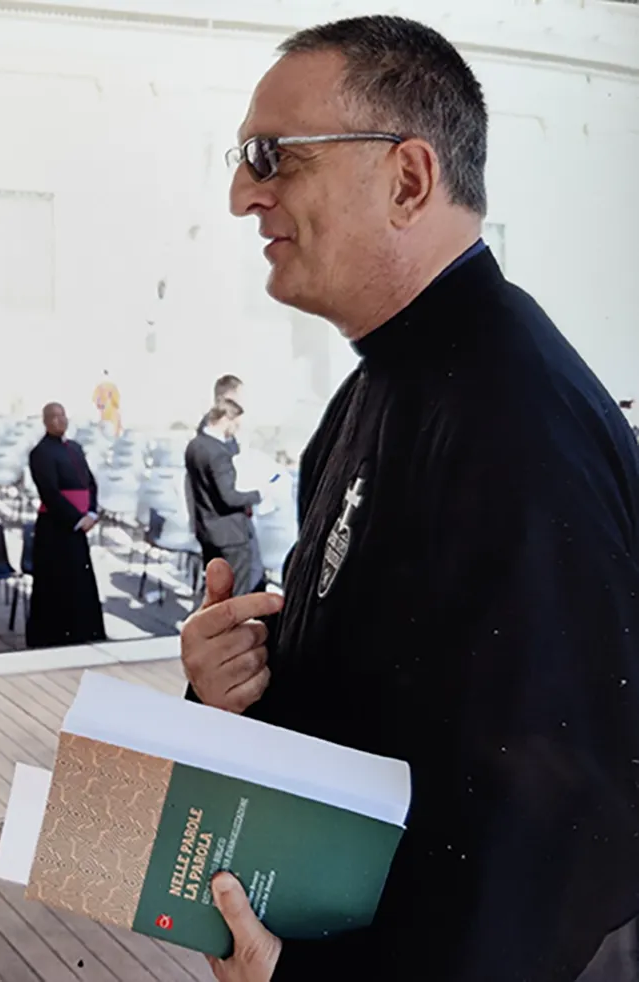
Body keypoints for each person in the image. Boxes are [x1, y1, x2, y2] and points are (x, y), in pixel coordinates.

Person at [182, 16, 638, 982]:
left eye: (273, 156)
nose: (242, 194)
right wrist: (237, 683)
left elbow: (552, 849)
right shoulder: (377, 386)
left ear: (408, 180)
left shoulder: (519, 419)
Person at [26, 402, 107, 649]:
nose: (59, 420)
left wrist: (91, 512)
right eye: (53, 417)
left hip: (80, 524)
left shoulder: (75, 448)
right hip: (56, 526)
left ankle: (84, 632)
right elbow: (50, 492)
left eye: (62, 416)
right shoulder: (40, 453)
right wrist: (77, 519)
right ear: (45, 421)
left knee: (80, 582)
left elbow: (90, 483)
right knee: (56, 584)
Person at [184, 399, 264, 597]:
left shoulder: (194, 446)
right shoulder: (218, 454)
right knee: (237, 593)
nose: (236, 430)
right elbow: (229, 497)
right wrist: (259, 494)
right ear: (226, 419)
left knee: (216, 591)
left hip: (207, 529)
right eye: (235, 425)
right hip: (231, 535)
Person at [91, 370, 121, 437]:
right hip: (110, 410)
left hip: (105, 410)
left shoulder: (99, 386)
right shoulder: (113, 386)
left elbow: (95, 398)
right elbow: (116, 400)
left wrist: (99, 404)